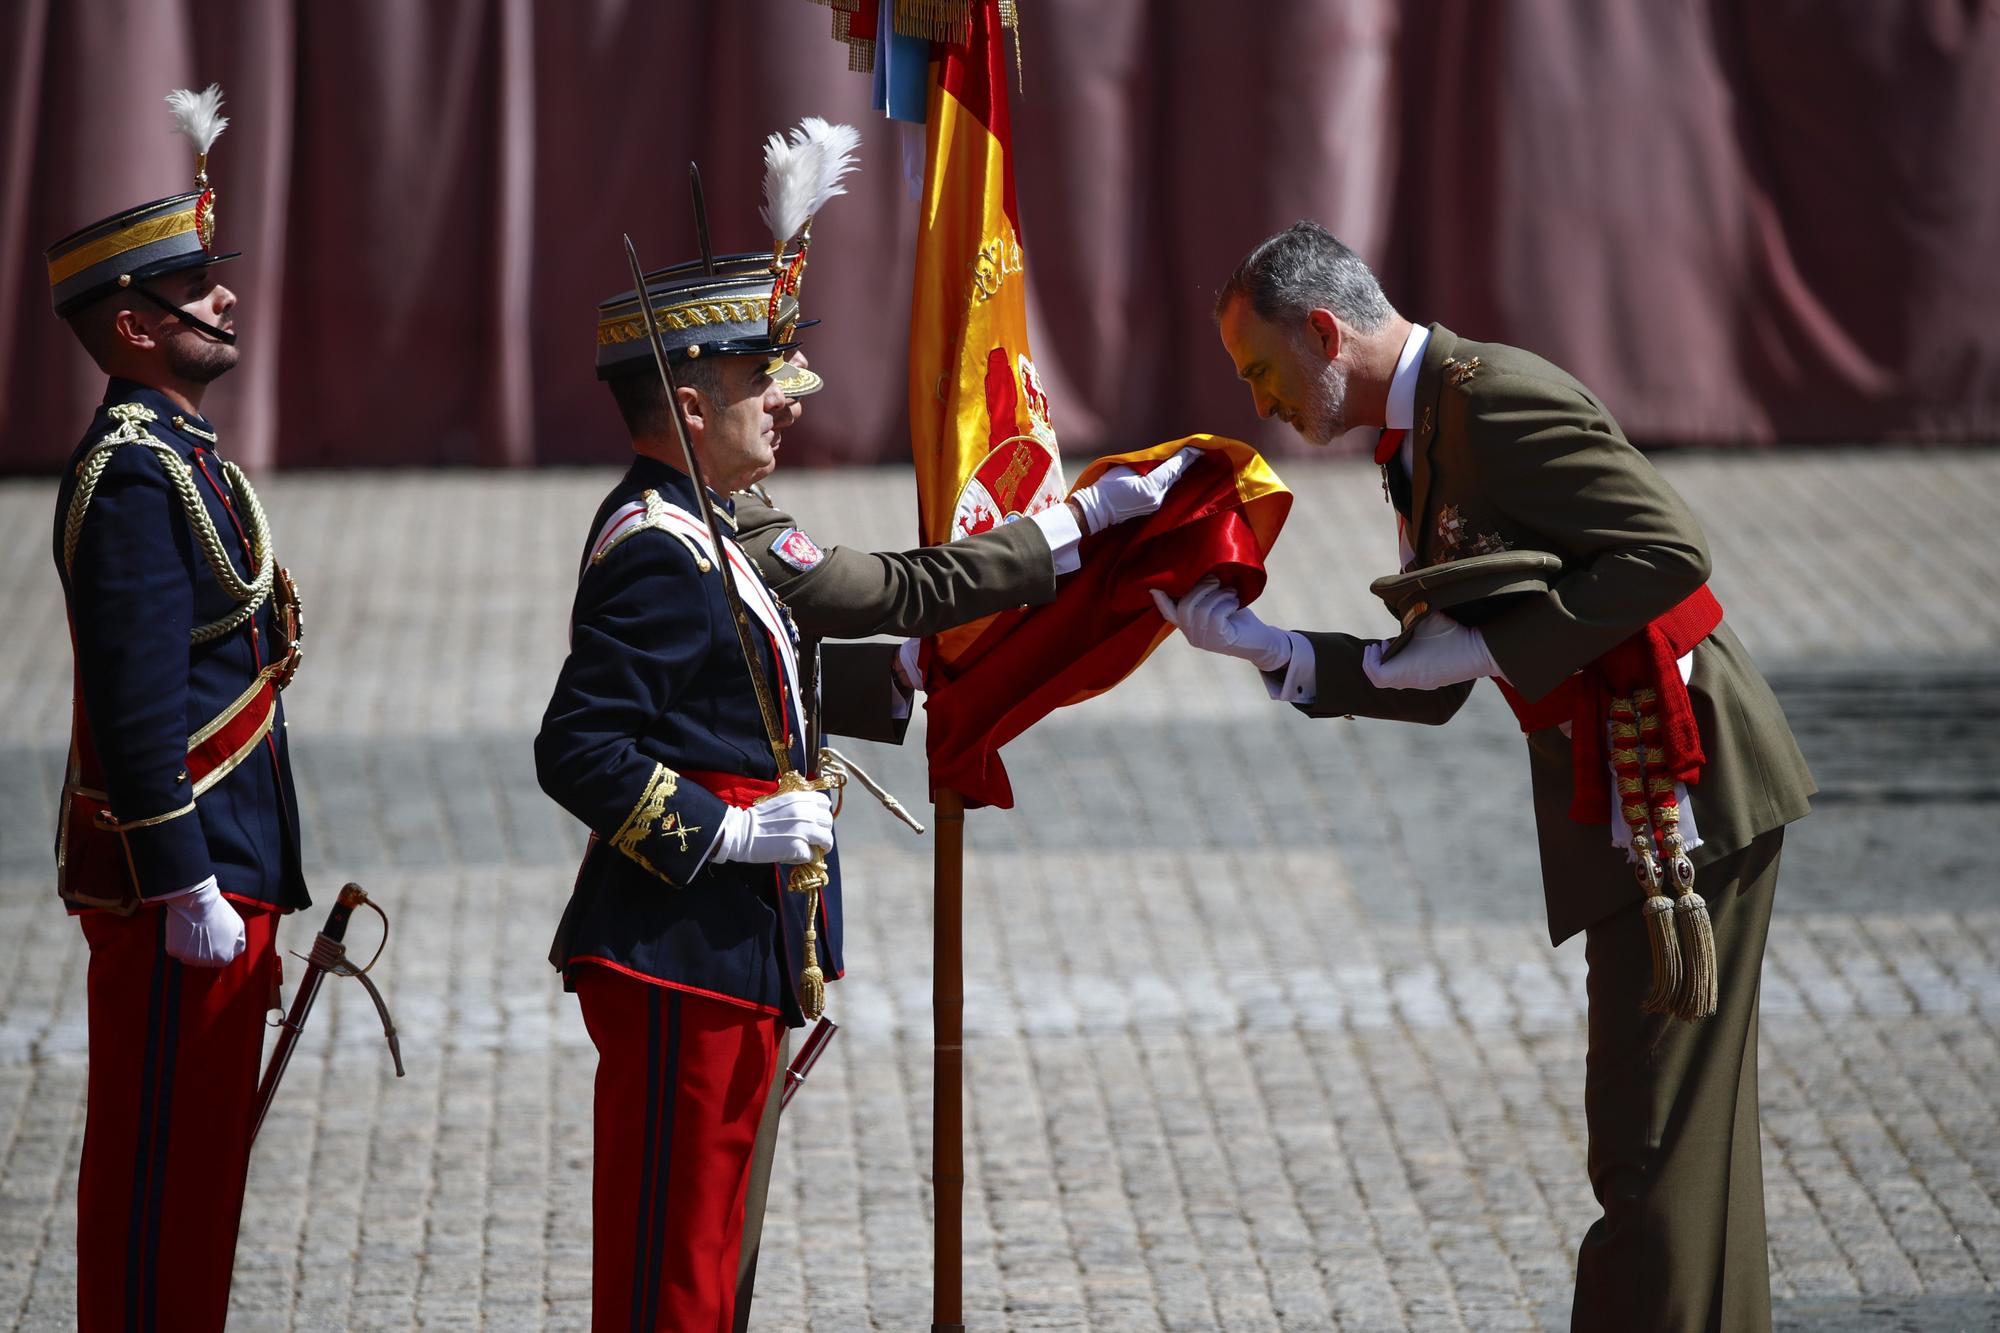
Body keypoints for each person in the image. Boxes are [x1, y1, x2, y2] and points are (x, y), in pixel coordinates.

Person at [534, 191, 1191, 1327]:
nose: (783, 408)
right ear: (689, 407)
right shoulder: (656, 547)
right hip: (674, 943)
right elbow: (577, 744)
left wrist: (878, 682)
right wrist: (725, 828)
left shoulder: (716, 516)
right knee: (668, 1256)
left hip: (731, 944)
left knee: (714, 1242)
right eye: (759, 390)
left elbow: (742, 667)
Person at [1153, 220, 1815, 1333]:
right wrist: (1274, 650)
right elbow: (1438, 669)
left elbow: (1666, 553)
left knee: (1654, 1148)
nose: (1261, 399)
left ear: (1324, 330)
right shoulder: (1418, 437)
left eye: (1263, 368)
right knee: (1672, 1150)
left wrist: (1496, 646)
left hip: (1680, 788)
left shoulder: (1488, 400)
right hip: (1622, 793)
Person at [45, 86, 311, 1331]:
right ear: (132, 327)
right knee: (157, 1181)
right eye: (195, 286)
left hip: (227, 871)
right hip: (179, 895)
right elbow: (136, 700)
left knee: (201, 1186)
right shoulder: (132, 475)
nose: (224, 297)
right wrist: (182, 881)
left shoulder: (184, 451)